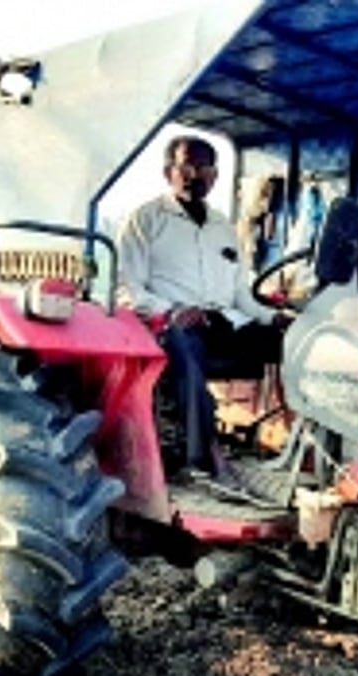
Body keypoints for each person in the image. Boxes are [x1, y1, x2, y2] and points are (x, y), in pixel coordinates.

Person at [116, 135, 290, 481]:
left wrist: (276, 318)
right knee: (185, 344)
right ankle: (200, 461)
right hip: (170, 325)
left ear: (215, 175)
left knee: (295, 342)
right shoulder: (145, 220)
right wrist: (173, 310)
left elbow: (241, 292)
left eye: (206, 168)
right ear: (169, 171)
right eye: (188, 166)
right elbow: (127, 288)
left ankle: (304, 450)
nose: (197, 174)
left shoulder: (223, 227)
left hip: (226, 322)